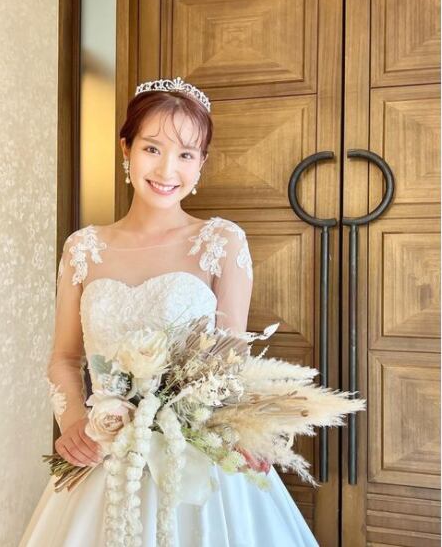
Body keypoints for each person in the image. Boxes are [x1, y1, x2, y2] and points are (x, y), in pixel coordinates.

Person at [18, 77, 320, 546]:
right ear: (126, 148)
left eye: (186, 154)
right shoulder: (83, 248)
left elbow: (231, 360)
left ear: (201, 163)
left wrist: (242, 430)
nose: (167, 169)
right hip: (105, 455)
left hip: (196, 460)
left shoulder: (220, 241)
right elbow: (64, 358)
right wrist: (76, 424)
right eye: (152, 148)